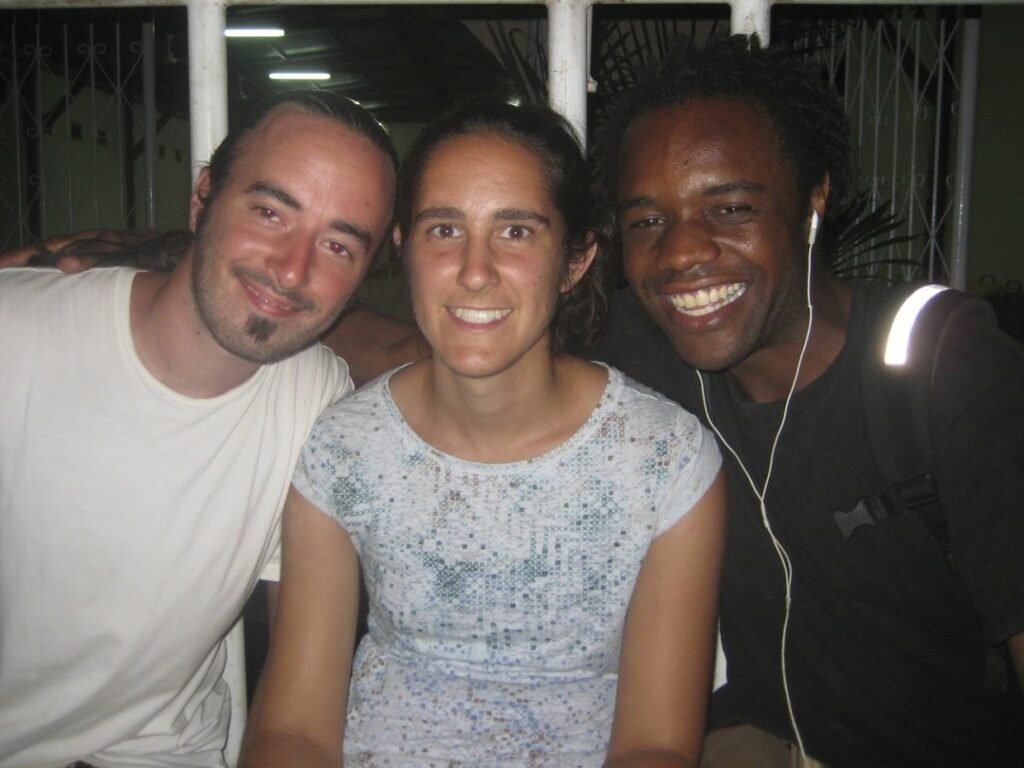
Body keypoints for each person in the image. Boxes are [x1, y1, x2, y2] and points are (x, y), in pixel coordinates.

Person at [238, 99, 726, 768]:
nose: (474, 270)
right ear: (404, 249)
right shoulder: (345, 450)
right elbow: (294, 730)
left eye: (516, 231)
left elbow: (656, 745)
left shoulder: (664, 460)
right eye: (444, 230)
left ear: (576, 259)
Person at [588, 34, 1024, 768]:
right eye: (647, 222)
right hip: (757, 735)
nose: (682, 252)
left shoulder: (943, 367)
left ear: (813, 196)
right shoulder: (639, 345)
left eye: (730, 207)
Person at [0, 91, 397, 767]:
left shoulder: (317, 404)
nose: (292, 269)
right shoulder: (17, 335)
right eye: (270, 213)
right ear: (203, 198)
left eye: (337, 245)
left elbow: (300, 715)